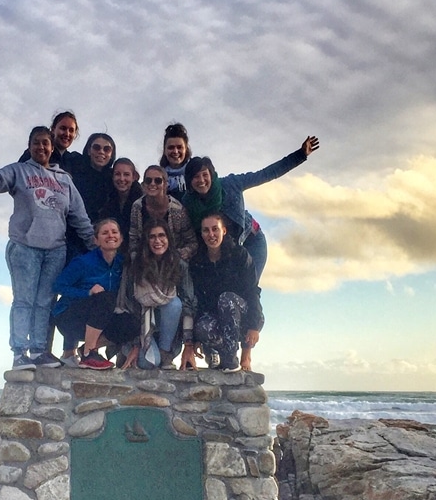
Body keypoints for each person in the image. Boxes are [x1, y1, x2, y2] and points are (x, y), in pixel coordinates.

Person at [0, 127, 94, 369]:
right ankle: (19, 353)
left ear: (52, 147)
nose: (41, 147)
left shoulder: (64, 180)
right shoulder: (18, 171)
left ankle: (38, 351)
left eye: (46, 143)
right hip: (24, 248)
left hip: (55, 251)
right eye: (36, 142)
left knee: (44, 302)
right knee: (23, 301)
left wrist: (94, 246)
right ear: (29, 146)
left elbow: (80, 217)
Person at [182, 135, 319, 281]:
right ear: (189, 181)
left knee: (249, 287)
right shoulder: (187, 203)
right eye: (196, 177)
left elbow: (265, 174)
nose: (201, 180)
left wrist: (300, 155)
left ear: (211, 175)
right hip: (224, 250)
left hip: (252, 240)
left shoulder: (231, 184)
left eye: (205, 175)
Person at [182, 213, 264, 373]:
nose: (211, 234)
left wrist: (254, 326)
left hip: (245, 315)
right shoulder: (198, 262)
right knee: (202, 327)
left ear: (224, 231)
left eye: (215, 229)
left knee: (226, 298)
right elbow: (199, 300)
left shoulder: (239, 255)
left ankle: (231, 361)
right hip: (219, 318)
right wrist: (195, 339)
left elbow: (252, 290)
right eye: (206, 230)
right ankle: (225, 354)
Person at [52, 219, 135, 370]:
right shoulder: (83, 262)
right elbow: (58, 286)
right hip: (69, 318)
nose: (110, 235)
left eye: (114, 232)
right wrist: (87, 292)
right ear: (96, 240)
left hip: (99, 319)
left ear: (121, 238)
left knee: (132, 323)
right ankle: (89, 354)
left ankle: (87, 348)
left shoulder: (122, 263)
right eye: (105, 233)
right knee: (106, 298)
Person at [116, 221, 195, 370]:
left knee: (175, 303)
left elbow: (188, 302)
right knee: (149, 363)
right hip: (139, 326)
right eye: (152, 237)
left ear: (168, 239)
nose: (157, 241)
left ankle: (165, 353)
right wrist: (135, 344)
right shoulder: (135, 264)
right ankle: (126, 351)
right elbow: (129, 304)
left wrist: (188, 344)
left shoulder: (179, 264)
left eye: (161, 236)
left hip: (167, 328)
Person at [127, 164, 198, 261]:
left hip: (173, 260)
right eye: (148, 180)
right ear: (143, 184)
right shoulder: (137, 207)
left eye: (158, 180)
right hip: (145, 260)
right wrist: (137, 258)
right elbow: (133, 239)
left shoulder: (178, 210)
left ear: (165, 184)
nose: (152, 184)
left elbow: (192, 242)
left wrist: (177, 256)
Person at [66, 133, 117, 261]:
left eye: (107, 149)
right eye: (96, 147)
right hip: (71, 237)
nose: (101, 152)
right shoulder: (74, 164)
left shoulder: (113, 178)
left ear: (111, 154)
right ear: (89, 150)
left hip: (99, 239)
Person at [18, 111, 83, 173]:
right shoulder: (37, 152)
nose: (67, 134)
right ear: (53, 129)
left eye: (71, 130)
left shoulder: (76, 160)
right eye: (63, 128)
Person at [102, 157, 142, 240]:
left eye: (126, 174)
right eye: (117, 174)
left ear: (134, 177)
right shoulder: (106, 197)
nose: (122, 179)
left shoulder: (142, 201)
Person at [158, 122, 191, 196]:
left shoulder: (198, 173)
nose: (175, 152)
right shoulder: (156, 179)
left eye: (179, 147)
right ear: (164, 150)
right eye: (171, 147)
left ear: (186, 149)